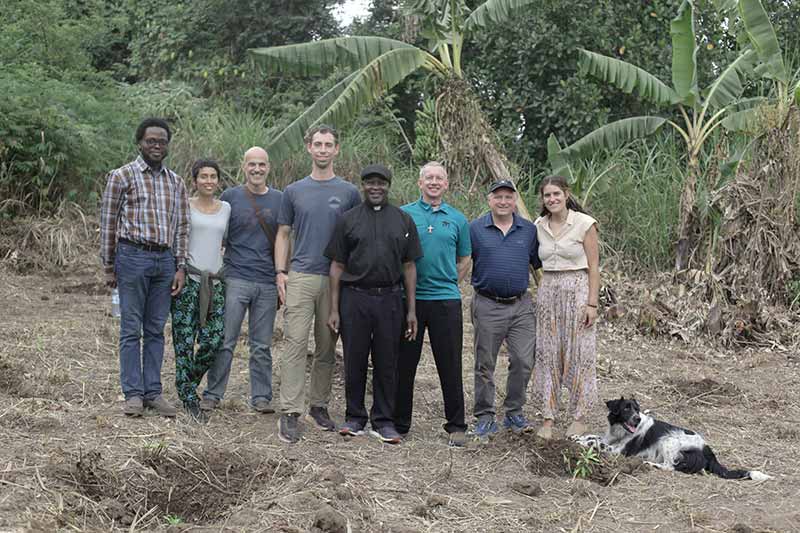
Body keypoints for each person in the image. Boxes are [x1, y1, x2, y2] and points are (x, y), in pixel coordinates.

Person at [274, 125, 361, 443]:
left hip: (336, 279)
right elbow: (283, 233)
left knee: (327, 346)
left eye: (329, 145)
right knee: (295, 344)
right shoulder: (293, 191)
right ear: (308, 148)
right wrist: (280, 272)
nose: (323, 150)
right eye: (318, 144)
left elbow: (356, 237)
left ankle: (319, 405)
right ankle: (290, 411)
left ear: (337, 150)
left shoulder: (350, 192)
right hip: (301, 275)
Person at [325, 164, 422, 445]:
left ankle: (383, 421)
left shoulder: (403, 220)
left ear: (388, 186)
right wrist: (334, 308)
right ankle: (354, 417)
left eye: (381, 183)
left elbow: (409, 266)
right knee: (354, 358)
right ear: (363, 186)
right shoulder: (348, 220)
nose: (375, 188)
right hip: (354, 298)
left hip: (390, 299)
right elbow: (336, 265)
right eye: (370, 183)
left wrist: (411, 310)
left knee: (387, 360)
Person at [100, 117, 188, 417]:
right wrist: (109, 265)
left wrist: (181, 266)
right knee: (130, 329)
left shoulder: (175, 181)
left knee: (155, 330)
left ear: (167, 146)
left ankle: (153, 392)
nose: (156, 146)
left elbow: (182, 227)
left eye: (162, 141)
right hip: (132, 257)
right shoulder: (122, 176)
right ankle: (133, 394)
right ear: (140, 142)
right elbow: (108, 222)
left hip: (164, 261)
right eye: (151, 140)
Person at [200, 147, 282, 413]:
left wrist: (283, 275)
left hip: (267, 282)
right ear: (243, 166)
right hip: (235, 278)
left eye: (261, 164)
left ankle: (261, 397)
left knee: (261, 345)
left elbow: (285, 239)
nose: (257, 169)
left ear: (269, 167)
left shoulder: (281, 199)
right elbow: (217, 235)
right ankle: (213, 394)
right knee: (226, 340)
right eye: (251, 165)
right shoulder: (230, 198)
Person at [394, 162, 471, 447]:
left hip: (446, 302)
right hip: (410, 301)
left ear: (447, 183)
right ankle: (400, 424)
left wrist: (450, 281)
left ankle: (456, 425)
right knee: (405, 364)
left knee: (449, 364)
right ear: (420, 182)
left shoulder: (458, 219)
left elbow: (465, 259)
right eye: (429, 178)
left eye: (439, 178)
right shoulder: (404, 214)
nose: (434, 182)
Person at [469, 179, 541, 438]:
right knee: (485, 363)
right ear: (489, 200)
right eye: (497, 197)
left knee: (524, 359)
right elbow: (466, 261)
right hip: (488, 304)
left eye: (508, 197)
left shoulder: (528, 230)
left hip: (521, 305)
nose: (503, 201)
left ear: (515, 201)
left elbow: (536, 264)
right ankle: (485, 415)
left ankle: (514, 412)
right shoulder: (475, 229)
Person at [532, 175, 599, 440]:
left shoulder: (584, 224)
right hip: (549, 292)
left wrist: (592, 304)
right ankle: (548, 417)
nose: (552, 199)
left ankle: (579, 415)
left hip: (578, 290)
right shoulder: (539, 226)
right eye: (547, 195)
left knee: (578, 353)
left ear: (566, 194)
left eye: (556, 194)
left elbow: (594, 267)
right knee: (549, 353)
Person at [170, 159, 231, 422]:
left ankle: (185, 382)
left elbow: (226, 240)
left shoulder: (226, 208)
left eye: (213, 176)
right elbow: (176, 238)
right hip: (189, 280)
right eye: (203, 176)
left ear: (218, 180)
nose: (208, 181)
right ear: (194, 181)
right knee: (184, 341)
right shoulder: (184, 206)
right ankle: (188, 397)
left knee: (213, 340)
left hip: (215, 283)